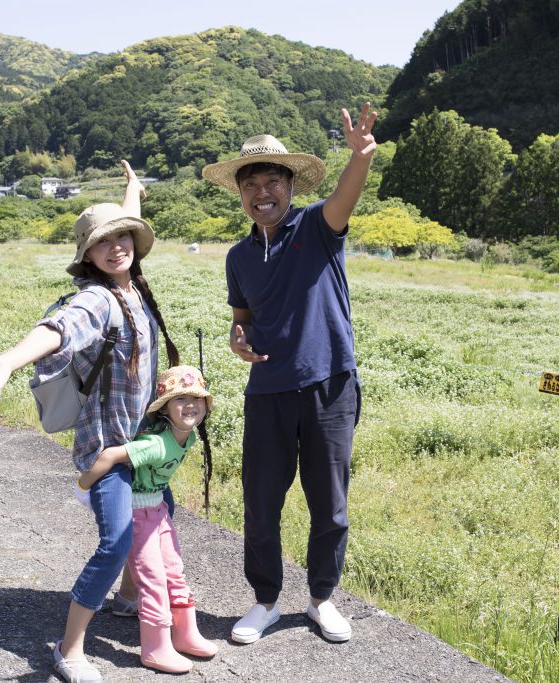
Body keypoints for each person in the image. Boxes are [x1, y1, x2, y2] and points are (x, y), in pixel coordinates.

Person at [0, 160, 179, 683]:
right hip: (107, 448)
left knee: (157, 514)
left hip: (142, 441)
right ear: (87, 256)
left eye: (123, 237)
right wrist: (8, 360)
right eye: (103, 243)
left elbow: (124, 228)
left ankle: (128, 598)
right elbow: (59, 327)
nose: (116, 247)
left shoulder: (133, 284)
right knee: (116, 541)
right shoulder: (97, 298)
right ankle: (70, 648)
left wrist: (132, 192)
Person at [201, 103, 377, 645]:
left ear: (290, 185)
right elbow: (242, 319)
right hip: (268, 392)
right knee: (261, 504)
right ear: (241, 194)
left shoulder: (318, 226)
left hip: (329, 385)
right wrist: (237, 338)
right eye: (250, 184)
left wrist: (360, 157)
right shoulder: (238, 256)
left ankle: (322, 599)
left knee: (330, 504)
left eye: (272, 181)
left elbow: (346, 195)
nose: (262, 193)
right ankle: (265, 602)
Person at [76, 365, 217, 673]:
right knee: (153, 578)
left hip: (157, 509)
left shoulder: (188, 437)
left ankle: (185, 633)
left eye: (197, 398)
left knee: (174, 570)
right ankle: (155, 647)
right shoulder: (156, 444)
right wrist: (84, 486)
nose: (190, 405)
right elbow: (110, 455)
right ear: (165, 409)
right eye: (180, 399)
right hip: (137, 514)